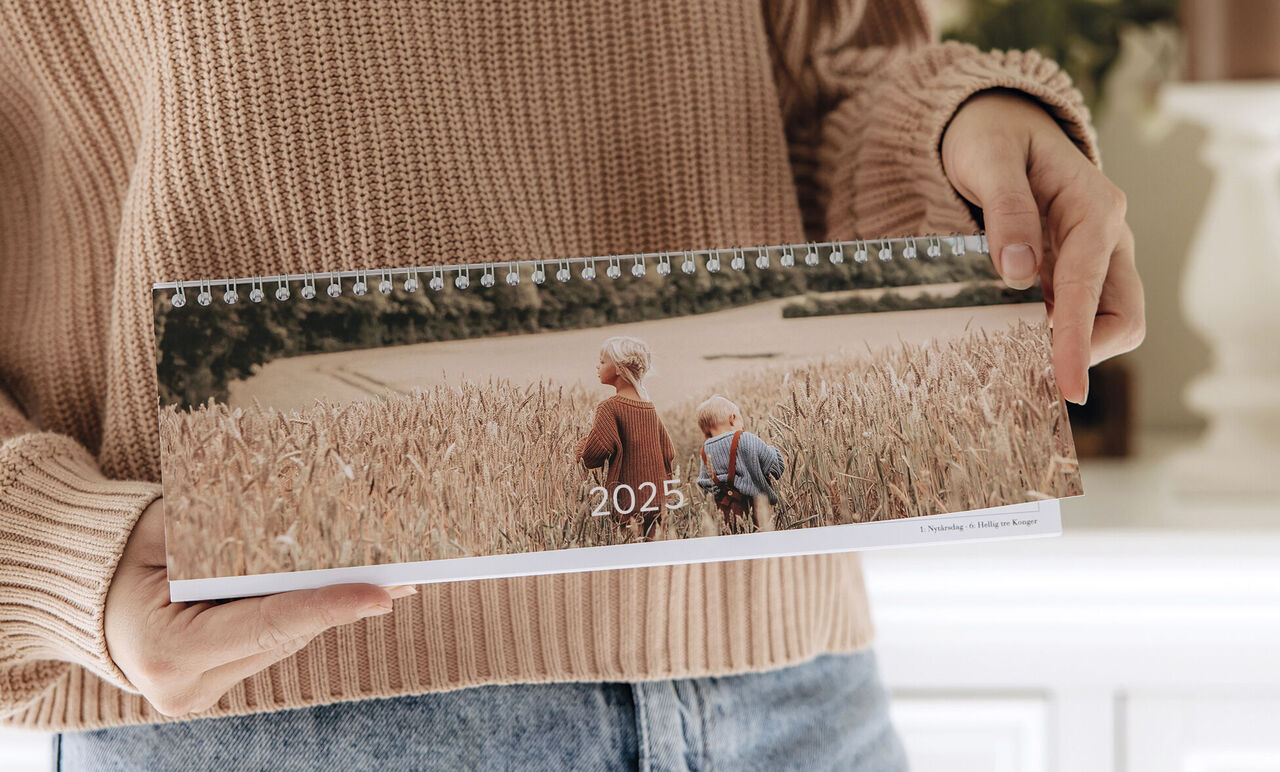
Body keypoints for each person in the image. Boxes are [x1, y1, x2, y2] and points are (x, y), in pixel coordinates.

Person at [0, 0, 1145, 768]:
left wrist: (960, 139)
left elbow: (825, 82)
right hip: (272, 708)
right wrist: (52, 548)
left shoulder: (635, 421)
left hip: (788, 684)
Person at [578, 336, 677, 541]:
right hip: (658, 497)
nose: (597, 366)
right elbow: (669, 452)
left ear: (619, 369)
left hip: (627, 500)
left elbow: (593, 456)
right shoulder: (648, 406)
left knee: (629, 546)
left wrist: (580, 447)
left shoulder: (610, 407)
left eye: (602, 361)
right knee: (654, 546)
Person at [695, 395, 785, 532]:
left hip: (724, 516)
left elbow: (705, 486)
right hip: (756, 511)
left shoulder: (704, 451)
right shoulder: (745, 439)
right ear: (732, 419)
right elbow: (775, 467)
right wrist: (773, 450)